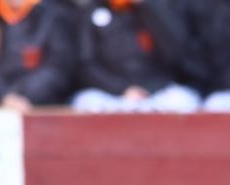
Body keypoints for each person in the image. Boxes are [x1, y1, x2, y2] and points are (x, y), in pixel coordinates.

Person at [72, 0, 200, 113]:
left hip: (156, 93)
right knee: (85, 102)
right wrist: (122, 89)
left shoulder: (157, 9)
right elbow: (86, 64)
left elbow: (175, 53)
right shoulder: (91, 11)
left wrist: (148, 7)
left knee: (184, 101)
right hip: (111, 95)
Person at [0, 0, 79, 111]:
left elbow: (58, 66)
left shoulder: (54, 14)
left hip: (41, 104)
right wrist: (1, 96)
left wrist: (21, 96)